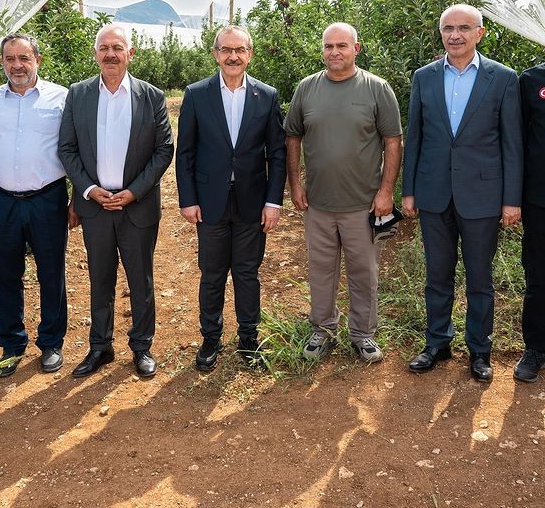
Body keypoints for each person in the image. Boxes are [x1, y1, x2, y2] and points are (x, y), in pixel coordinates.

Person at [402, 4, 522, 383]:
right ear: (441, 34)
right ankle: (437, 343)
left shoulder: (502, 78)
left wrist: (511, 199)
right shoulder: (424, 77)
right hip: (434, 193)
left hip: (482, 195)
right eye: (448, 28)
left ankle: (480, 351)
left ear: (480, 33)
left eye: (464, 28)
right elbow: (416, 137)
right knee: (437, 274)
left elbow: (511, 144)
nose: (455, 35)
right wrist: (409, 191)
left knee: (479, 278)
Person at [58, 24, 173, 378]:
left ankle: (142, 347)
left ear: (130, 53)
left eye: (117, 48)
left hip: (136, 206)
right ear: (96, 54)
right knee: (100, 278)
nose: (110, 54)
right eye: (104, 48)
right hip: (95, 206)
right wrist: (90, 190)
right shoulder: (78, 95)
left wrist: (133, 191)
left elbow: (163, 149)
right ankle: (100, 346)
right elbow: (67, 148)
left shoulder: (151, 96)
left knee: (141, 280)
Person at [284, 22, 402, 365]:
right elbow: (293, 137)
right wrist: (295, 183)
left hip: (363, 205)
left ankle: (363, 334)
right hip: (318, 205)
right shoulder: (307, 89)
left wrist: (386, 192)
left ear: (356, 49)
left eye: (342, 46)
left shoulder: (377, 89)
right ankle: (322, 329)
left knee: (364, 272)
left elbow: (392, 141)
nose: (334, 52)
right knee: (321, 271)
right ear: (322, 50)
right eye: (328, 46)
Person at [176, 25, 286, 371]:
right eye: (226, 50)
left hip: (253, 202)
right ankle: (210, 339)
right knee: (211, 273)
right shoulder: (197, 94)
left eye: (240, 50)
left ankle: (248, 339)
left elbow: (277, 154)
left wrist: (274, 201)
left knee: (247, 272)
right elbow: (186, 153)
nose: (233, 56)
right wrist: (188, 199)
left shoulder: (266, 96)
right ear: (215, 54)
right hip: (209, 202)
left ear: (250, 54)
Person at [0, 33, 76, 377]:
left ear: (37, 60)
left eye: (24, 58)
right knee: (6, 274)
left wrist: (77, 198)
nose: (17, 65)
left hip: (48, 197)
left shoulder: (61, 98)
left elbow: (75, 151)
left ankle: (51, 343)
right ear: (1, 62)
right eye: (10, 59)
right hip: (1, 199)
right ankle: (12, 344)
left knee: (51, 272)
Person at [514, 63, 545, 382]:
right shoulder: (532, 80)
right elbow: (517, 142)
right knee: (538, 277)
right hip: (539, 199)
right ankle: (535, 348)